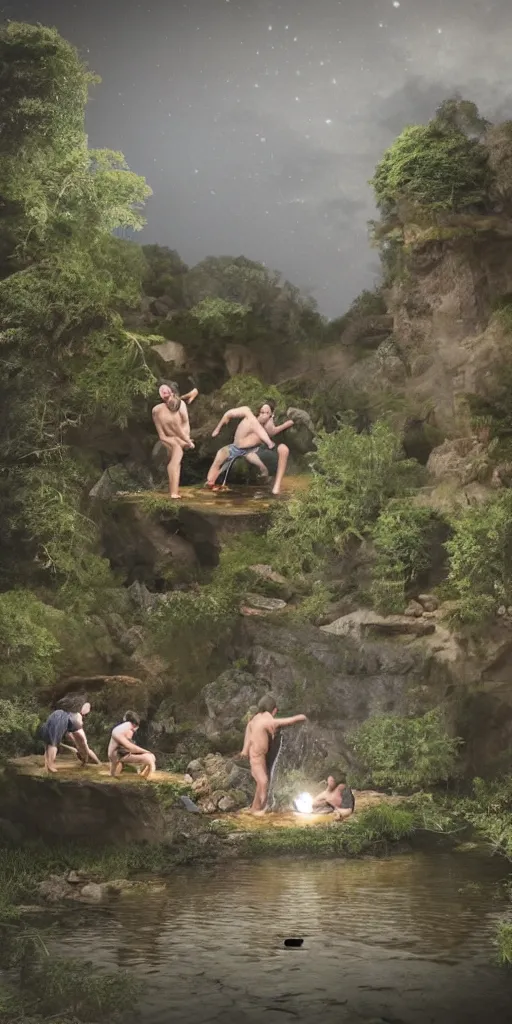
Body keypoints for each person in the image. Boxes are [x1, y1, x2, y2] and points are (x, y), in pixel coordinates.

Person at [239, 694, 307, 815]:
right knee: (264, 782)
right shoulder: (267, 720)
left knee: (260, 784)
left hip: (259, 756)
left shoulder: (256, 718)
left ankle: (254, 808)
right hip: (256, 757)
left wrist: (245, 749)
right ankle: (263, 808)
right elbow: (283, 721)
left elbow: (249, 729)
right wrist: (298, 718)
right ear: (274, 710)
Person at [205, 402, 284, 494]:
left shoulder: (267, 427)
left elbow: (273, 431)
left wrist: (288, 423)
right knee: (220, 455)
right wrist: (218, 428)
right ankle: (210, 482)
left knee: (254, 459)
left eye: (267, 413)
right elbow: (229, 413)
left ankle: (264, 473)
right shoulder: (249, 415)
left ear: (271, 415)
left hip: (250, 451)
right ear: (258, 412)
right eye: (262, 412)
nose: (263, 415)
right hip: (235, 447)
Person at [152, 381, 199, 499]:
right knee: (175, 460)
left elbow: (180, 429)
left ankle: (174, 491)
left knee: (176, 458)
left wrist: (185, 440)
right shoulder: (159, 411)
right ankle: (173, 492)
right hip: (172, 438)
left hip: (177, 437)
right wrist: (188, 442)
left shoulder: (173, 405)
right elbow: (172, 432)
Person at [40, 700, 100, 773]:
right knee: (53, 743)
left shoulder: (72, 719)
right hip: (64, 719)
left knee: (49, 743)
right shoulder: (75, 721)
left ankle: (48, 765)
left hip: (57, 716)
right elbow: (76, 738)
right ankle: (50, 765)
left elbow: (72, 735)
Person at [108, 711, 156, 780]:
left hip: (119, 755)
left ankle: (144, 775)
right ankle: (149, 777)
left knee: (151, 757)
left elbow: (129, 747)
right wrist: (146, 752)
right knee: (149, 758)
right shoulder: (123, 731)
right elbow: (130, 748)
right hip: (119, 755)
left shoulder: (123, 728)